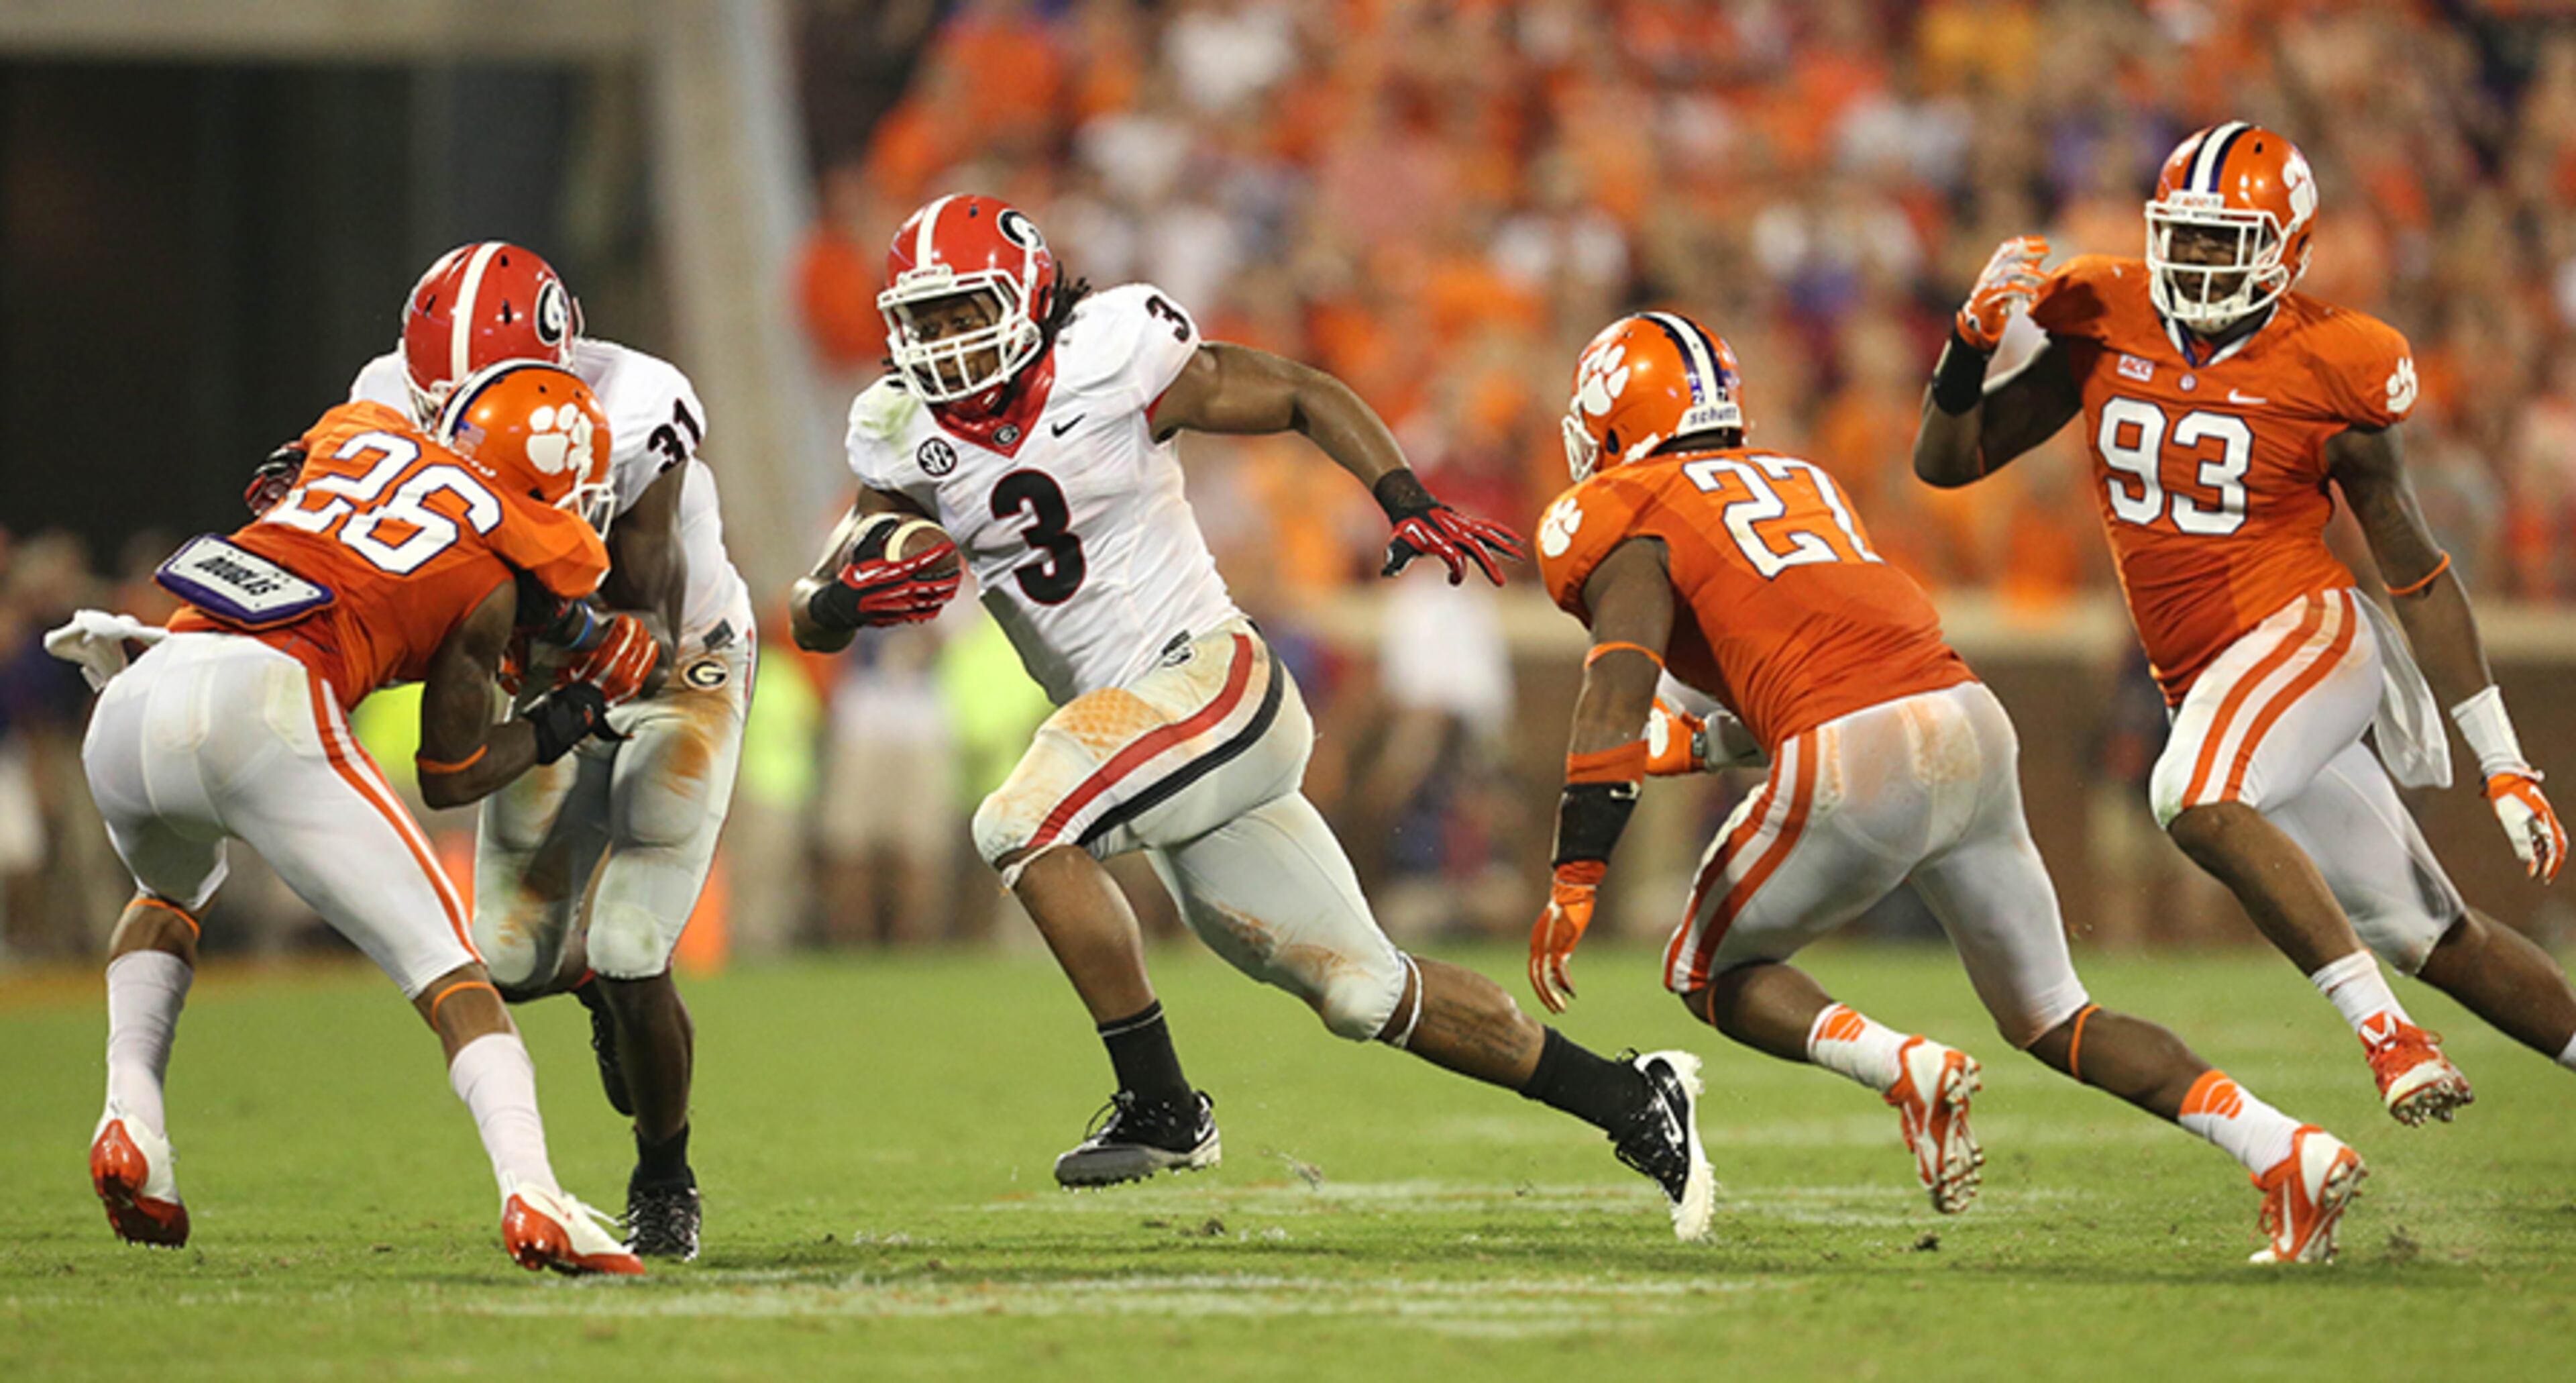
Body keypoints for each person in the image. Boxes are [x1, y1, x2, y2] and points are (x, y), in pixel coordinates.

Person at [792, 195, 1714, 1239]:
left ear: (1031, 295)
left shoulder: (1110, 353)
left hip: (1212, 681)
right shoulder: (899, 432)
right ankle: (1632, 1097)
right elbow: (825, 588)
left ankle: (1163, 1104)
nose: (950, 342)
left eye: (969, 312)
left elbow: (1297, 392)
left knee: (1017, 823)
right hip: (1147, 739)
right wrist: (836, 601)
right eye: (932, 320)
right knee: (1366, 993)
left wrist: (1403, 496)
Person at [1532, 311, 2359, 1263]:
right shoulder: (1798, 477)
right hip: (1965, 714)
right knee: (2056, 1014)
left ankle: (1904, 1065)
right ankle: (2284, 1147)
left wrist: (1577, 869)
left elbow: (1617, 683)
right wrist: (1708, 745)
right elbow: (1817, 666)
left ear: (1613, 416)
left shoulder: (1616, 511)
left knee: (1701, 970)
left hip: (1853, 745)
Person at [1913, 123, 2576, 1122]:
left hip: (2311, 633)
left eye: (2229, 240)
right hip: (2215, 682)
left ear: (2288, 248)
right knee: (2432, 932)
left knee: (2191, 791)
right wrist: (1966, 351)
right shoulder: (2106, 317)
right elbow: (1950, 462)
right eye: (2186, 234)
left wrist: (2504, 759)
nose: (2199, 260)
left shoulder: (2331, 361)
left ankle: (2389, 1037)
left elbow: (2420, 573)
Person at [60, 363, 651, 1274]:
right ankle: (533, 1190)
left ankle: (130, 1117)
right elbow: (452, 773)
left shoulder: (356, 436)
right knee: (452, 976)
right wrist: (562, 720)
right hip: (264, 707)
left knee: (169, 892)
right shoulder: (491, 574)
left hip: (140, 688)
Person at [293, 242, 755, 1259]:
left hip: (671, 660)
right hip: (542, 661)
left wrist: (511, 622)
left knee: (636, 947)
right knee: (503, 959)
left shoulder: (636, 408)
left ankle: (663, 1171)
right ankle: (593, 987)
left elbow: (638, 609)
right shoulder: (390, 392)